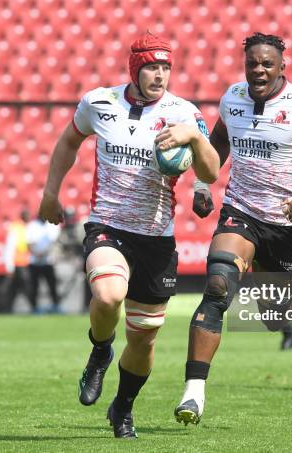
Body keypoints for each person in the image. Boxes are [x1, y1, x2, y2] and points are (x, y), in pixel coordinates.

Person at [37, 32, 220, 438]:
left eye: (166, 67)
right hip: (108, 225)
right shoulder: (98, 102)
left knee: (143, 340)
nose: (160, 75)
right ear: (135, 69)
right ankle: (100, 349)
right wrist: (51, 192)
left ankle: (122, 406)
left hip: (156, 238)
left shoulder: (185, 113)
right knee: (108, 294)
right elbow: (69, 141)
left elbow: (210, 172)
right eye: (152, 67)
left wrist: (193, 137)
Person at [175, 32, 292, 425]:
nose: (259, 70)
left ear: (282, 66)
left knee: (275, 316)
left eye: (267, 63)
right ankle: (193, 394)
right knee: (218, 286)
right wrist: (204, 184)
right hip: (240, 211)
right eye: (252, 63)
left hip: (285, 223)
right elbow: (216, 142)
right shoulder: (232, 98)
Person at [26, 213, 61, 313]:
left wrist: (45, 252)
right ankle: (34, 307)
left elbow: (54, 242)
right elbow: (29, 243)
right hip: (35, 262)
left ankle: (55, 305)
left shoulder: (52, 225)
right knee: (34, 287)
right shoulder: (32, 226)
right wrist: (37, 254)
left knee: (52, 285)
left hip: (48, 261)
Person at [1, 207, 31, 312]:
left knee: (16, 288)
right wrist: (10, 266)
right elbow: (10, 248)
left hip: (24, 264)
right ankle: (5, 308)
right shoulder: (16, 228)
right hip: (17, 265)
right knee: (13, 288)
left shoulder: (25, 227)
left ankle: (9, 308)